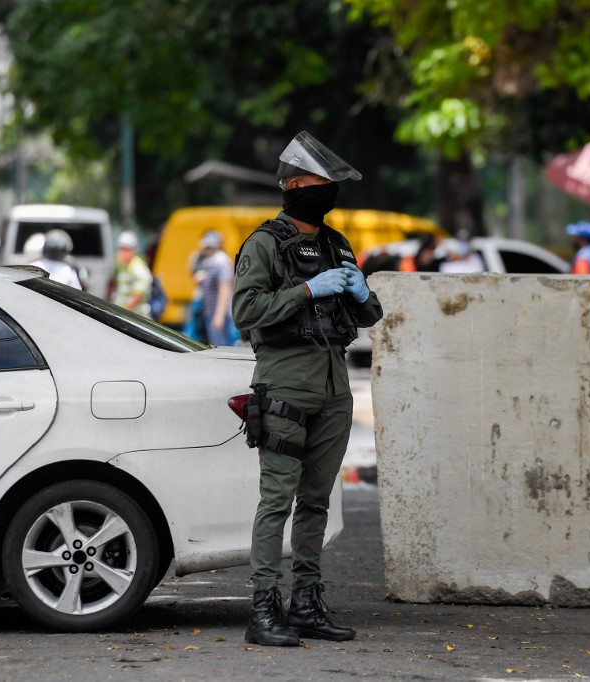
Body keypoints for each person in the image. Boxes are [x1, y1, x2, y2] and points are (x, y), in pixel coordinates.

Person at [232, 131, 383, 647]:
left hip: (333, 382)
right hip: (285, 380)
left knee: (316, 500)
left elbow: (368, 314)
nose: (329, 191)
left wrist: (363, 294)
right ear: (294, 185)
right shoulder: (265, 243)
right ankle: (263, 608)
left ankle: (307, 603)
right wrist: (304, 290)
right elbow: (245, 312)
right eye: (321, 182)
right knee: (276, 500)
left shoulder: (337, 243)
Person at [197, 230, 239, 346]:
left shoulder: (221, 262)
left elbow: (224, 288)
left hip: (221, 314)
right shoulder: (213, 261)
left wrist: (219, 316)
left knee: (223, 348)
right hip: (213, 312)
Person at [113, 230, 153, 316]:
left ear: (133, 251)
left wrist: (125, 314)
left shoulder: (137, 267)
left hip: (137, 317)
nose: (122, 253)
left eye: (126, 250)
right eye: (121, 249)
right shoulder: (124, 266)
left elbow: (137, 295)